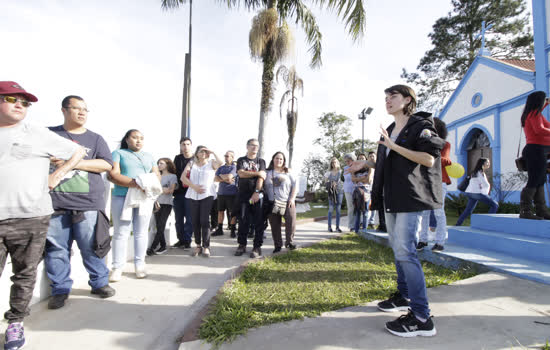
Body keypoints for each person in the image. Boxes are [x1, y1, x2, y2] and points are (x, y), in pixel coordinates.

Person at [349, 84, 443, 337]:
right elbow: (392, 159)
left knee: (406, 252)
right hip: (391, 197)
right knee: (398, 250)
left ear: (408, 99)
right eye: (386, 97)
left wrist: (394, 144)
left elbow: (428, 159)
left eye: (393, 96)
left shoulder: (420, 125)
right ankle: (403, 296)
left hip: (410, 198)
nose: (388, 100)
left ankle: (422, 318)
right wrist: (367, 162)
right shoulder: (391, 129)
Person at [0, 81, 86, 350]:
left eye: (25, 102)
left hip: (31, 217)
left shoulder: (37, 133)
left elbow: (77, 151)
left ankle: (15, 322)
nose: (19, 105)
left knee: (24, 274)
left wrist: (56, 175)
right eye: (12, 98)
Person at [45, 95, 116, 311]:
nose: (82, 113)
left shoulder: (95, 139)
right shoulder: (49, 135)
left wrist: (75, 162)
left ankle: (99, 283)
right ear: (64, 110)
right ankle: (60, 289)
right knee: (56, 249)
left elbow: (106, 164)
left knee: (92, 246)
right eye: (77, 108)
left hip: (88, 203)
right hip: (55, 203)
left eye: (85, 109)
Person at [108, 129, 160, 281]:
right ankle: (117, 267)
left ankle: (140, 264)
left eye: (141, 138)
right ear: (127, 139)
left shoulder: (149, 156)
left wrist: (146, 184)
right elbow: (114, 174)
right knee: (120, 232)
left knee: (141, 232)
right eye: (135, 137)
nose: (138, 141)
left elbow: (156, 174)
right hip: (122, 196)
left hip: (144, 197)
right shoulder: (118, 153)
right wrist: (136, 183)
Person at [416, 118, 451, 251]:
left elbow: (446, 160)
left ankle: (440, 242)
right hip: (424, 181)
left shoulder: (445, 144)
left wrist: (430, 157)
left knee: (438, 212)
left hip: (439, 181)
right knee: (424, 212)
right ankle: (423, 240)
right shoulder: (422, 144)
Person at [181, 146, 222, 257]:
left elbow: (221, 162)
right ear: (196, 153)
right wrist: (194, 187)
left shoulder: (211, 163)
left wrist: (213, 151)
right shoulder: (191, 163)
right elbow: (183, 178)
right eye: (201, 151)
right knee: (195, 221)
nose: (203, 153)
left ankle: (206, 246)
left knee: (204, 220)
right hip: (193, 194)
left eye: (205, 151)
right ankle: (198, 245)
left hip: (207, 194)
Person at [519, 91, 550, 220]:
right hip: (535, 151)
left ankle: (541, 211)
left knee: (540, 180)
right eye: (544, 99)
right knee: (534, 180)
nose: (545, 101)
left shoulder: (534, 113)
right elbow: (539, 129)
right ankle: (525, 211)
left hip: (539, 151)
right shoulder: (534, 114)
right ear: (538, 101)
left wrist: (546, 105)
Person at [234, 139, 267, 258]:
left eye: (257, 146)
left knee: (258, 221)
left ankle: (257, 247)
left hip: (257, 195)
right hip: (243, 195)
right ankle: (241, 245)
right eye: (252, 145)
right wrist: (257, 173)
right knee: (243, 221)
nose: (255, 147)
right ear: (247, 146)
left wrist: (257, 192)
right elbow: (241, 173)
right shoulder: (241, 160)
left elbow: (262, 178)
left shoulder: (261, 161)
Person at [264, 152, 298, 253]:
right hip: (272, 202)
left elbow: (295, 186)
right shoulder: (267, 172)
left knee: (291, 222)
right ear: (273, 159)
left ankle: (289, 242)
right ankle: (277, 245)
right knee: (275, 225)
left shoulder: (288, 172)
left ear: (284, 161)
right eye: (276, 158)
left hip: (287, 202)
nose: (278, 160)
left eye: (281, 159)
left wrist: (292, 198)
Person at [147, 158, 178, 256]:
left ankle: (152, 247)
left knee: (161, 225)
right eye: (158, 163)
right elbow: (150, 190)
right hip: (156, 203)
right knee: (159, 226)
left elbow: (170, 190)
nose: (159, 165)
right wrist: (162, 189)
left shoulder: (172, 176)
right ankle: (163, 245)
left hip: (166, 203)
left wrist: (158, 189)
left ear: (167, 164)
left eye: (161, 163)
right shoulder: (156, 176)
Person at [455, 157, 499, 226]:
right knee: (495, 205)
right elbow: (485, 184)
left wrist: (482, 187)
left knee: (468, 210)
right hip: (476, 193)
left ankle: (458, 224)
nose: (489, 164)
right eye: (487, 162)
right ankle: (488, 224)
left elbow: (478, 183)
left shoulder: (475, 172)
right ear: (482, 163)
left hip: (470, 193)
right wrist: (485, 191)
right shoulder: (480, 172)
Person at [172, 137, 194, 249]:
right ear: (180, 146)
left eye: (187, 144)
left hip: (191, 193)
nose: (185, 146)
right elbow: (174, 174)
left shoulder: (195, 159)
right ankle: (180, 239)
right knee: (178, 219)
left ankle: (187, 240)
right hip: (178, 193)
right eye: (183, 144)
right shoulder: (177, 158)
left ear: (191, 145)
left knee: (189, 219)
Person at [214, 151, 238, 237]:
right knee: (220, 211)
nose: (226, 157)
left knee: (232, 212)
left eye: (227, 156)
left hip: (231, 193)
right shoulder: (221, 168)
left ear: (232, 157)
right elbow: (215, 179)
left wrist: (221, 176)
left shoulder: (234, 167)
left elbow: (229, 177)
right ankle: (219, 229)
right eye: (225, 156)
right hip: (221, 193)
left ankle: (232, 230)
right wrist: (225, 179)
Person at [351, 153, 370, 233]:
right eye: (359, 158)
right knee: (357, 211)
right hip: (357, 191)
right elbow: (353, 179)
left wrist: (358, 179)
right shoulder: (354, 169)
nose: (361, 159)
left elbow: (368, 180)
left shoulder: (369, 169)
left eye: (363, 158)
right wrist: (362, 178)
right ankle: (356, 230)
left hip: (366, 191)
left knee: (365, 211)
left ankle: (365, 230)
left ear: (365, 159)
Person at [324, 157, 344, 233]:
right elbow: (325, 182)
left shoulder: (341, 171)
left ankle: (337, 227)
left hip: (340, 192)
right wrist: (331, 183)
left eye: (335, 162)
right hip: (331, 193)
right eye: (332, 162)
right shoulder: (328, 172)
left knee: (338, 210)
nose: (334, 164)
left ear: (338, 163)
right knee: (331, 209)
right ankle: (329, 227)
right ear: (331, 164)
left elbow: (343, 180)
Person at [342, 153, 357, 231]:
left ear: (353, 160)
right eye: (346, 161)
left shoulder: (358, 167)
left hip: (357, 189)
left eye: (348, 161)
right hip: (348, 189)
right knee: (351, 208)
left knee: (357, 207)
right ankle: (351, 225)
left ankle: (357, 224)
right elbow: (348, 178)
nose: (347, 162)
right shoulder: (345, 168)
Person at [365, 151, 377, 230]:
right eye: (370, 156)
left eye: (373, 156)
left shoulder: (378, 167)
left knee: (374, 207)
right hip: (367, 189)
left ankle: (371, 222)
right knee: (367, 206)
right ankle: (365, 221)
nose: (371, 157)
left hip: (376, 189)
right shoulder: (366, 167)